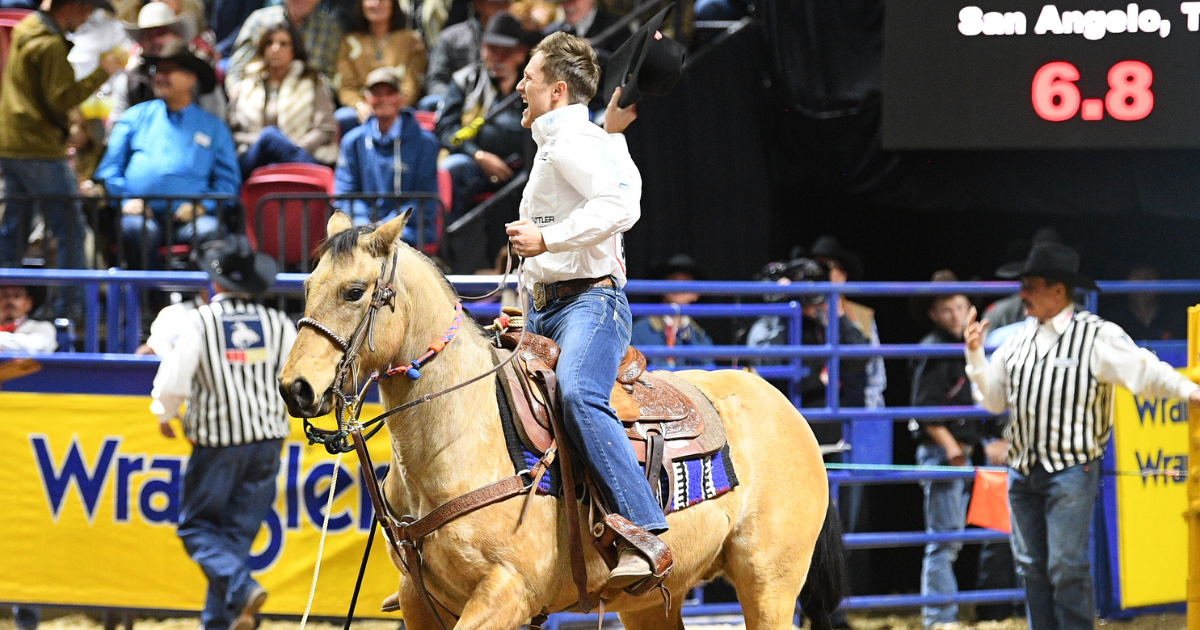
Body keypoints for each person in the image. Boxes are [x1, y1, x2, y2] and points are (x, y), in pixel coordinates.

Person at [963, 242, 1200, 630]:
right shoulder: (1016, 340)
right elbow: (993, 401)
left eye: (1031, 286)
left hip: (1071, 469)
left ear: (1058, 291)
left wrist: (1188, 391)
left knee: (1065, 565)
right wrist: (975, 356)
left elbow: (1145, 370)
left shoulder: (1096, 336)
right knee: (1031, 566)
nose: (1022, 294)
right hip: (1022, 470)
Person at [504, 31, 662, 585]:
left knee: (578, 393)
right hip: (551, 307)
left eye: (529, 76)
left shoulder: (572, 140)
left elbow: (621, 203)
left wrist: (547, 240)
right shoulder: (571, 140)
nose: (519, 85)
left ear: (557, 90)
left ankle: (643, 531)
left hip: (590, 304)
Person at [149, 234, 296, 630]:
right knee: (235, 535)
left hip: (217, 443)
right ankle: (219, 619)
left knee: (196, 528)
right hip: (268, 440)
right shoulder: (279, 323)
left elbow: (175, 379)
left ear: (215, 282)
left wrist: (164, 413)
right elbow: (296, 375)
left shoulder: (200, 321)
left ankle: (240, 586)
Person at [0, 0, 126, 318]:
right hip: (39, 149)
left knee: (13, 229)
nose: (86, 19)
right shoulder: (50, 44)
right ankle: (70, 310)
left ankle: (5, 308)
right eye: (86, 10)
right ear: (73, 6)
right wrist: (103, 72)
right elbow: (60, 99)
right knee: (70, 230)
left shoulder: (26, 29)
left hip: (11, 143)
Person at [908, 270, 1011, 627]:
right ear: (933, 314)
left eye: (960, 307)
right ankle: (939, 617)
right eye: (946, 309)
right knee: (945, 539)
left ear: (970, 309)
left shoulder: (969, 348)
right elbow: (923, 410)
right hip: (945, 453)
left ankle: (945, 613)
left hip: (965, 451)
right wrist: (952, 447)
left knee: (956, 537)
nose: (954, 315)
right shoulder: (933, 349)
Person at [94, 44, 240, 268]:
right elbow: (108, 169)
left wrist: (202, 206)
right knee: (135, 230)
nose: (159, 77)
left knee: (212, 231)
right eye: (156, 71)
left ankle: (198, 291)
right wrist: (125, 199)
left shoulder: (213, 127)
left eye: (168, 71)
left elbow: (228, 183)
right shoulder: (133, 117)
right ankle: (150, 292)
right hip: (140, 215)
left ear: (190, 78)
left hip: (192, 219)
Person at [435, 12, 533, 220]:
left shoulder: (535, 84)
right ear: (482, 48)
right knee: (453, 168)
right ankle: (451, 238)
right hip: (476, 165)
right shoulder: (466, 81)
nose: (497, 58)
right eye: (491, 49)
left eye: (505, 51)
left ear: (520, 53)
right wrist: (478, 155)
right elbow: (446, 129)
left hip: (525, 166)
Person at [334, 67, 440, 246]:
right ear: (367, 99)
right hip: (361, 231)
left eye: (389, 93)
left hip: (408, 230)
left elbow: (425, 200)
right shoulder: (352, 141)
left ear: (401, 98)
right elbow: (345, 193)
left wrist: (387, 227)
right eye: (376, 94)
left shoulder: (425, 142)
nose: (383, 99)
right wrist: (363, 225)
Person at [228, 22, 338, 177]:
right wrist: (261, 141)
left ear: (294, 51)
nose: (275, 48)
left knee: (272, 138)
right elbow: (232, 132)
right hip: (255, 157)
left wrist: (289, 147)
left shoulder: (312, 82)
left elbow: (325, 129)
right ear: (263, 49)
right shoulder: (246, 84)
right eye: (269, 43)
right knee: (269, 136)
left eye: (283, 44)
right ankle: (321, 179)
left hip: (303, 152)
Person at [107, 1, 226, 134]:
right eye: (148, 35)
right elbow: (116, 130)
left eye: (161, 34)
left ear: (177, 36)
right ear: (140, 42)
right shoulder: (129, 81)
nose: (155, 41)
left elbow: (216, 120)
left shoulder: (198, 71)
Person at [809, 235, 886, 409]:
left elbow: (874, 372)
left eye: (826, 267)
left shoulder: (861, 315)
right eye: (816, 266)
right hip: (809, 405)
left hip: (851, 404)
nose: (820, 274)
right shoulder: (798, 310)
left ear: (842, 275)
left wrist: (870, 414)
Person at [335, 0, 427, 136]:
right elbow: (346, 87)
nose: (375, 4)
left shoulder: (411, 40)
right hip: (363, 106)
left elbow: (411, 83)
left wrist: (392, 105)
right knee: (343, 117)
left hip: (399, 104)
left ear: (393, 4)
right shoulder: (349, 42)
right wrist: (361, 105)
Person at [225, 0, 343, 91]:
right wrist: (237, 92)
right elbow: (237, 69)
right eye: (270, 42)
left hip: (307, 100)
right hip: (258, 96)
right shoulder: (260, 20)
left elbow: (332, 78)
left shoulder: (330, 28)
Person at [418, 0, 511, 110]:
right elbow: (437, 79)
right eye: (495, 3)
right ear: (478, 4)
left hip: (504, 105)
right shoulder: (450, 38)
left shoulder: (516, 41)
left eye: (506, 3)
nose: (501, 8)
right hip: (458, 104)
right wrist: (453, 101)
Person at [630, 253, 714, 369]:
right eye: (673, 279)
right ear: (661, 287)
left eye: (686, 281)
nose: (679, 286)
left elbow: (707, 373)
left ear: (696, 294)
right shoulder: (640, 331)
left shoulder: (700, 337)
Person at [1107, 263, 1185, 341]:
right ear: (1127, 281)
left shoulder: (1174, 316)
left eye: (1148, 278)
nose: (1142, 284)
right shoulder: (1114, 319)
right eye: (1137, 277)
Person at [0, 281, 57, 352]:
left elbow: (38, 346)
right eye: (5, 295)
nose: (10, 300)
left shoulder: (42, 327)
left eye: (17, 296)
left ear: (29, 303)